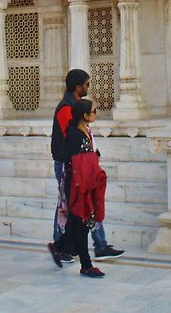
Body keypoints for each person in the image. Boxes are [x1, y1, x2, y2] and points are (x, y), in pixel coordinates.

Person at [49, 69, 125, 262]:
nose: (88, 88)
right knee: (67, 205)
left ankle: (99, 245)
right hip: (70, 166)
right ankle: (61, 246)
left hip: (83, 164)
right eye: (87, 84)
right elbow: (72, 139)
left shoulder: (76, 105)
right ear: (78, 86)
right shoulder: (66, 108)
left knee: (88, 203)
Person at [48, 98, 107, 278]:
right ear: (84, 115)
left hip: (85, 182)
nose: (96, 113)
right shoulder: (74, 134)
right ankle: (86, 265)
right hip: (76, 184)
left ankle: (59, 246)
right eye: (94, 111)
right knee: (81, 222)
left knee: (77, 222)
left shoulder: (85, 131)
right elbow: (71, 159)